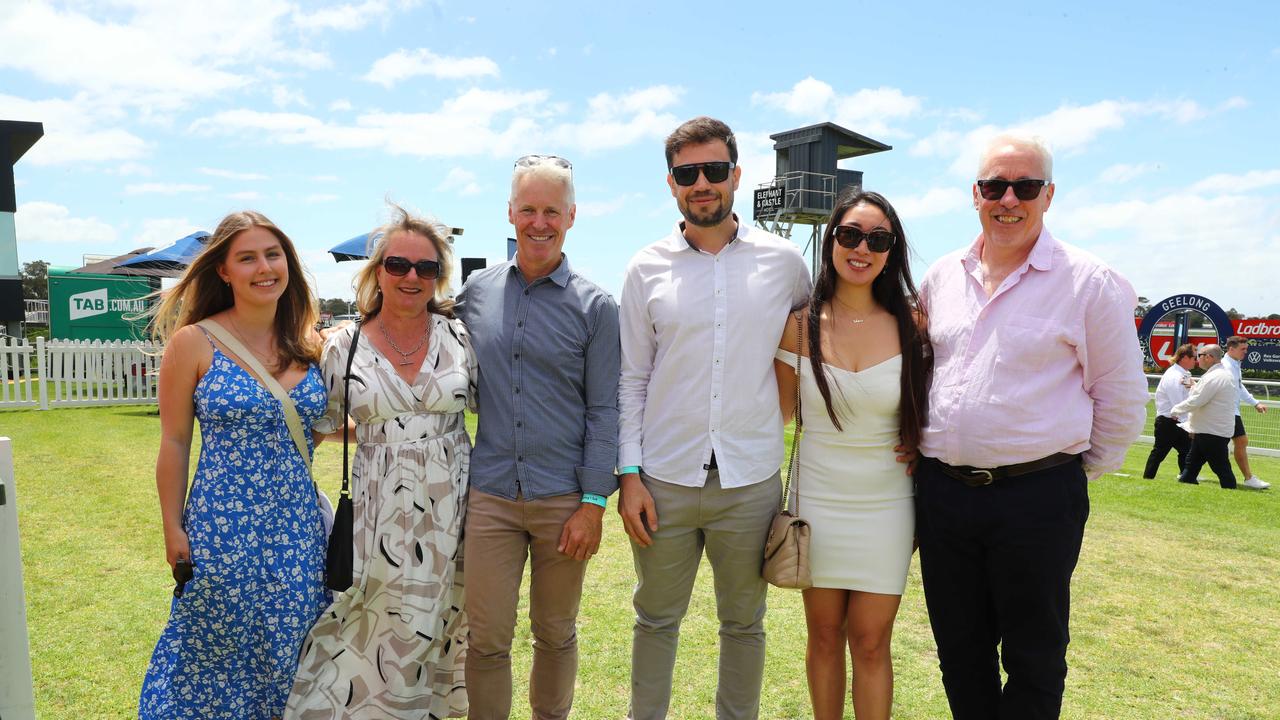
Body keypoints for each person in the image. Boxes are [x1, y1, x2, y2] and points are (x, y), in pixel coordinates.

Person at [914, 132, 1148, 720]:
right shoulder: (942, 276)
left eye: (1024, 186)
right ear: (975, 194)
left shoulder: (1089, 281)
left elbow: (1120, 398)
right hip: (943, 495)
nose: (1008, 199)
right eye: (995, 186)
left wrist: (1064, 475)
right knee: (958, 650)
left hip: (1038, 497)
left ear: (1049, 195)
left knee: (1035, 655)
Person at [617, 116, 812, 720]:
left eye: (714, 170)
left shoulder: (785, 263)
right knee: (654, 620)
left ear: (735, 174)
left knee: (744, 625)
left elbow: (808, 356)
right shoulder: (644, 268)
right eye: (687, 173)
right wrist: (628, 476)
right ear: (671, 184)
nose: (702, 183)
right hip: (663, 481)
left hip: (750, 480)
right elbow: (631, 380)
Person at [285, 206, 476, 719]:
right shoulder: (342, 346)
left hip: (452, 506)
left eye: (426, 268)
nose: (412, 277)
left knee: (444, 623)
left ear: (439, 276)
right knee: (369, 620)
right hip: (378, 507)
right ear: (376, 272)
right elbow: (320, 425)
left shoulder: (461, 338)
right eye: (398, 265)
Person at [139, 211, 330, 720]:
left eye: (273, 254)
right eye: (247, 257)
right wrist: (172, 527)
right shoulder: (194, 343)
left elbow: (321, 427)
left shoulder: (310, 343)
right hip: (221, 529)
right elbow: (175, 441)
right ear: (223, 270)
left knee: (292, 650)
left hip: (298, 531)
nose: (264, 267)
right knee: (212, 654)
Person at [454, 155, 620, 720]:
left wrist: (594, 504)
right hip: (491, 498)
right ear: (510, 213)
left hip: (563, 502)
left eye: (552, 210)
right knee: (486, 639)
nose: (539, 222)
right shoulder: (475, 293)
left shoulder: (596, 308)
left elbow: (605, 411)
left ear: (571, 215)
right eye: (528, 209)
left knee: (554, 633)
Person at [773, 189, 929, 719]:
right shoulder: (797, 324)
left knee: (869, 641)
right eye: (850, 234)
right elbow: (774, 413)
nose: (862, 248)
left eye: (878, 239)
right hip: (817, 500)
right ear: (831, 240)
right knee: (822, 637)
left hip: (887, 503)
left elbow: (938, 408)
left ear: (892, 252)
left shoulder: (915, 325)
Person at [1172, 345, 1241, 489]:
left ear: (1209, 357)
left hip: (1212, 432)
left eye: (1199, 356)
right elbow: (1203, 395)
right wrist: (1193, 386)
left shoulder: (1215, 376)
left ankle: (1230, 493)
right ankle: (1186, 484)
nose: (1198, 360)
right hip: (1207, 430)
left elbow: (1197, 400)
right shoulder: (1216, 375)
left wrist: (1175, 410)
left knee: (1221, 468)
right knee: (1190, 468)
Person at [1222, 336, 1270, 489]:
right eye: (1243, 349)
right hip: (1227, 410)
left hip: (1229, 410)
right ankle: (1248, 478)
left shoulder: (1234, 364)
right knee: (1241, 441)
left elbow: (1239, 387)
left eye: (1246, 349)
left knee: (1211, 443)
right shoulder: (1226, 366)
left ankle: (1189, 471)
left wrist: (1255, 403)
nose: (1246, 352)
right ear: (1231, 349)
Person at [1143, 343, 1195, 479]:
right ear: (1184, 358)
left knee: (1186, 451)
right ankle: (1148, 477)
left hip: (1177, 421)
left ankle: (1186, 478)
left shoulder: (1184, 374)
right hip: (1168, 421)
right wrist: (1188, 423)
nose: (1196, 361)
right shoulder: (1174, 376)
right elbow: (1177, 402)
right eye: (1193, 357)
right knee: (1160, 452)